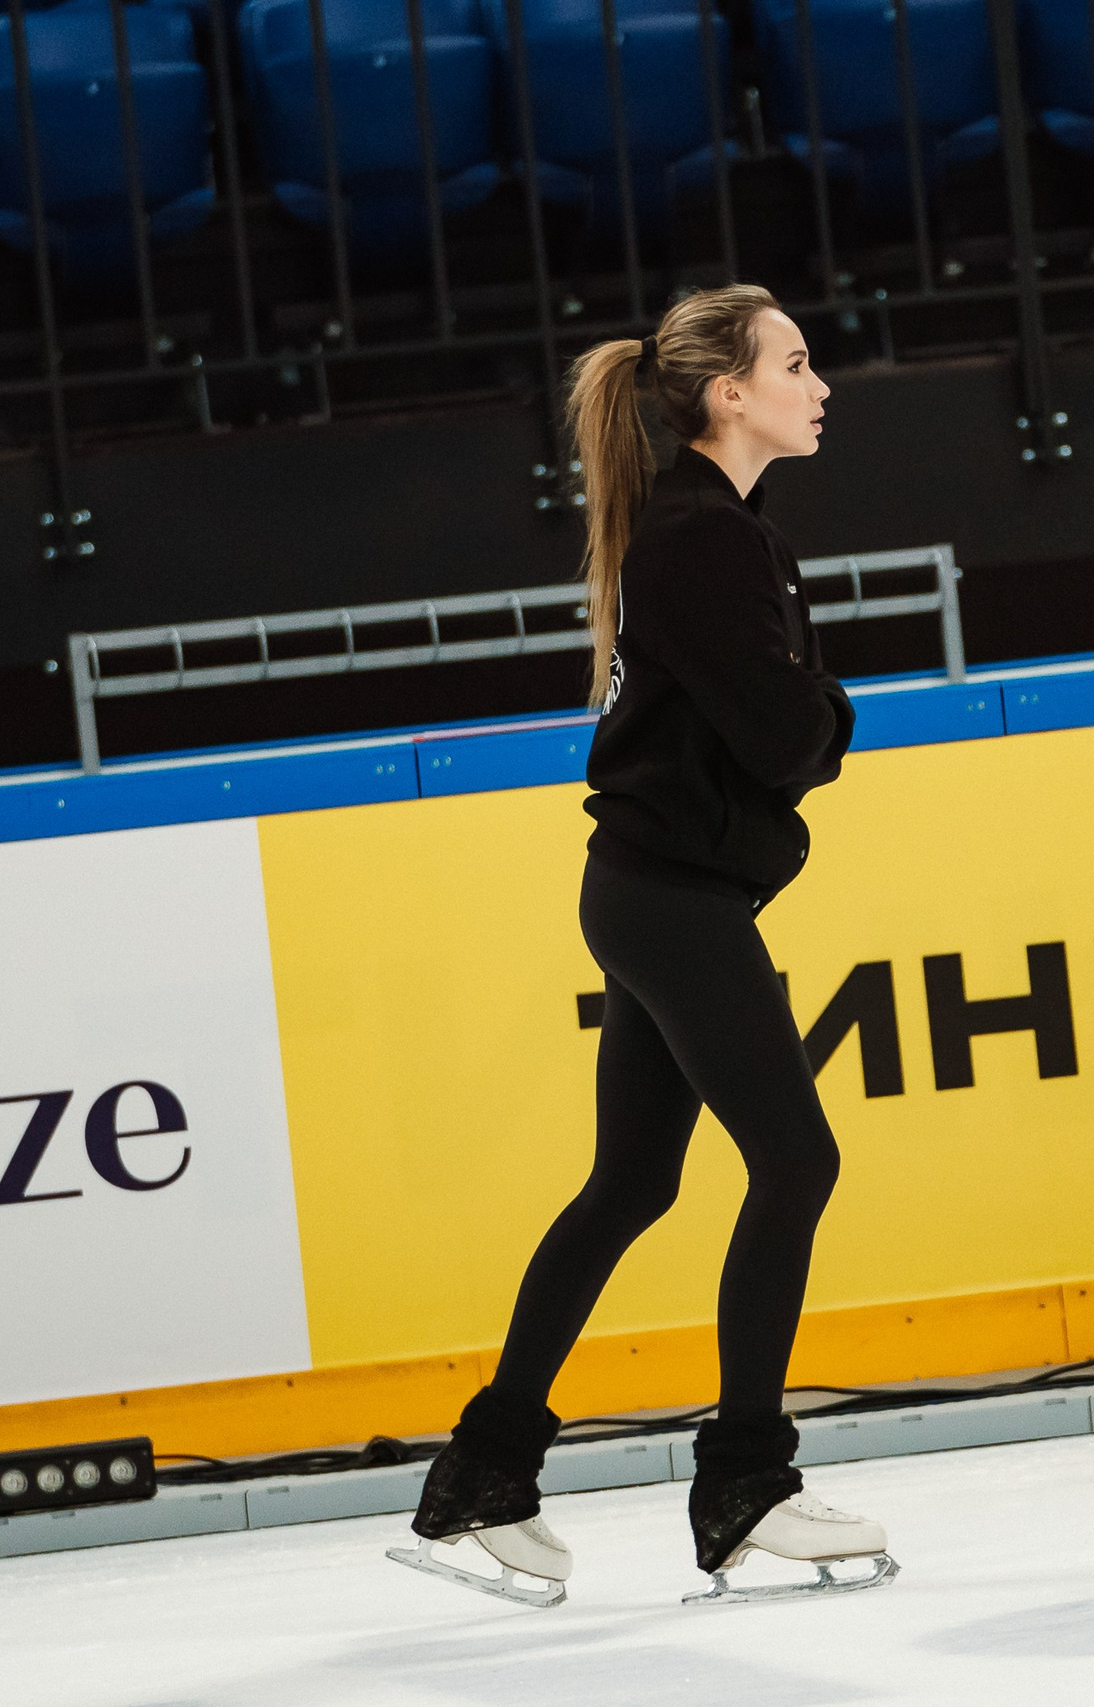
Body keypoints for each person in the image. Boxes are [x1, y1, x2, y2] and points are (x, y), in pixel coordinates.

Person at [388, 284, 897, 1609]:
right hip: (669, 899)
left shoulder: (718, 531)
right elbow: (792, 739)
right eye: (795, 364)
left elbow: (781, 724)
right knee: (795, 1158)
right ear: (728, 393)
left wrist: (810, 713)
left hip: (655, 890)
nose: (819, 384)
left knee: (631, 1187)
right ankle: (744, 1484)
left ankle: (482, 1480)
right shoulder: (701, 541)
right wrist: (829, 712)